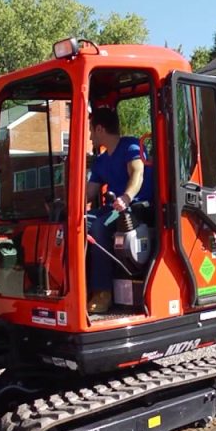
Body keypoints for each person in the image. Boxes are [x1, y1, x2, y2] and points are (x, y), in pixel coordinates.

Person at [85, 106, 154, 314]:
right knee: (80, 222)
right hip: (114, 209)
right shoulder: (101, 161)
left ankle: (103, 293)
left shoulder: (131, 146)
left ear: (99, 129)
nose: (89, 135)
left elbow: (138, 173)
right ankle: (83, 286)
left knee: (97, 226)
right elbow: (88, 194)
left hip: (136, 206)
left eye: (90, 129)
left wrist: (126, 197)